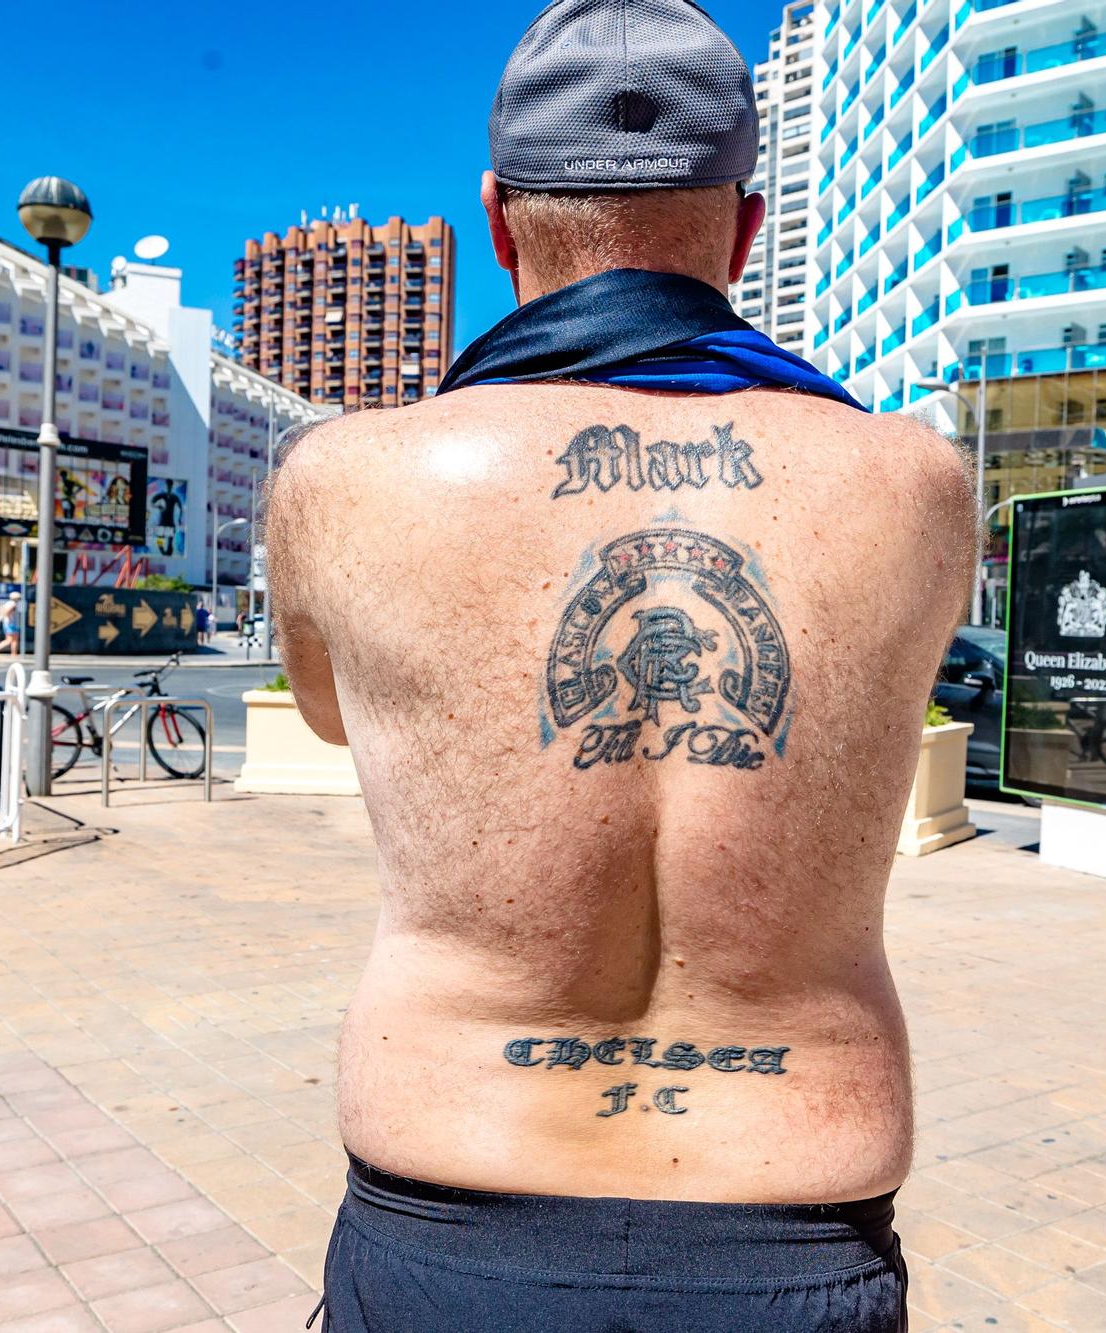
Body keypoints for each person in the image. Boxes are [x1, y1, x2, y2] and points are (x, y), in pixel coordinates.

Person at [265, 3, 975, 1328]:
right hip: (792, 1215)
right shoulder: (918, 486)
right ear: (748, 229)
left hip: (451, 1203)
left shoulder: (341, 483)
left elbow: (328, 717)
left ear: (496, 218)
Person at [0, 591, 21, 656]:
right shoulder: (13, 604)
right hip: (11, 624)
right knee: (10, 640)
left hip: (9, 624)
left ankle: (14, 653)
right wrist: (8, 616)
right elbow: (7, 612)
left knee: (13, 640)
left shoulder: (7, 603)